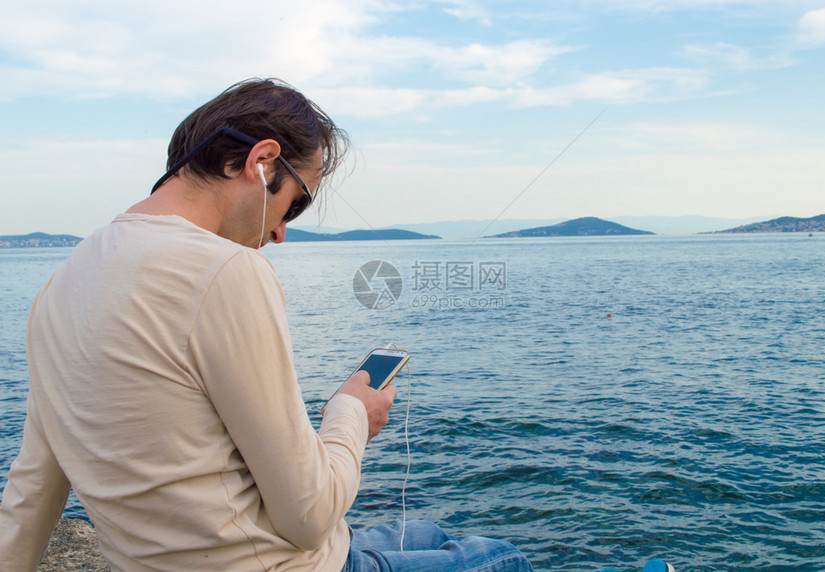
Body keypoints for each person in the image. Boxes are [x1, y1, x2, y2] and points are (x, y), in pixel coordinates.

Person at [0, 78, 534, 571]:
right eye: (294, 204)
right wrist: (350, 412)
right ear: (260, 161)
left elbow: (33, 489)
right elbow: (307, 517)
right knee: (501, 558)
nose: (281, 233)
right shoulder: (225, 269)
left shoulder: (61, 283)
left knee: (422, 532)